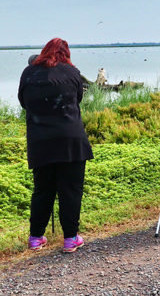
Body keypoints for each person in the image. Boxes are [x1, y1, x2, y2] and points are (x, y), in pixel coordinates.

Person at [18, 38, 93, 253]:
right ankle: (70, 239)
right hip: (70, 139)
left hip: (40, 140)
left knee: (43, 190)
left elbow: (23, 102)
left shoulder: (28, 72)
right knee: (71, 190)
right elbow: (78, 99)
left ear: (44, 52)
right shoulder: (72, 72)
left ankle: (35, 238)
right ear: (66, 53)